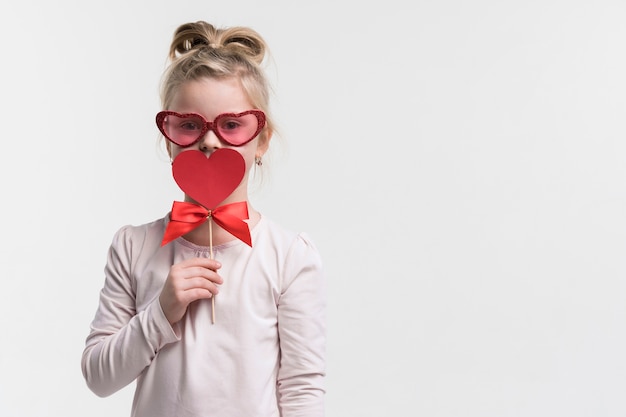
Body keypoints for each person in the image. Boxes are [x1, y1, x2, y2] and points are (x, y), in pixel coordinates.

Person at [81, 21, 326, 417]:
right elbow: (97, 376)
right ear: (169, 136)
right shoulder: (133, 247)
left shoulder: (289, 257)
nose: (209, 140)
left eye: (231, 125)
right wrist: (160, 312)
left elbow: (302, 391)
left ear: (261, 139)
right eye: (190, 125)